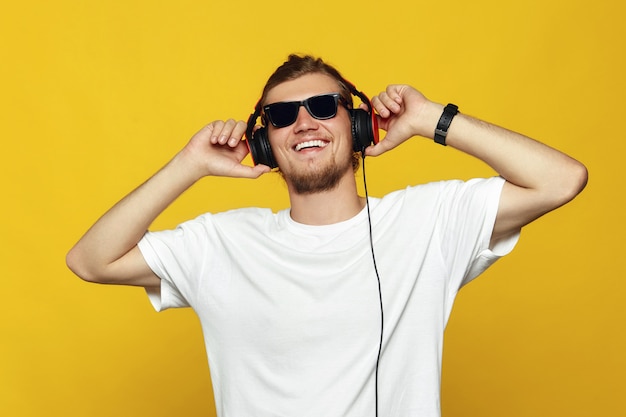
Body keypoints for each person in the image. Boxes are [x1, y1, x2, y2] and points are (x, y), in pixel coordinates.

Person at [66, 54, 587, 417]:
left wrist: (431, 119)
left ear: (358, 127)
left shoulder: (428, 221)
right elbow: (91, 260)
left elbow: (561, 180)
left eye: (322, 107)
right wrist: (188, 165)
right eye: (282, 115)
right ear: (264, 143)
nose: (303, 123)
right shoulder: (219, 245)